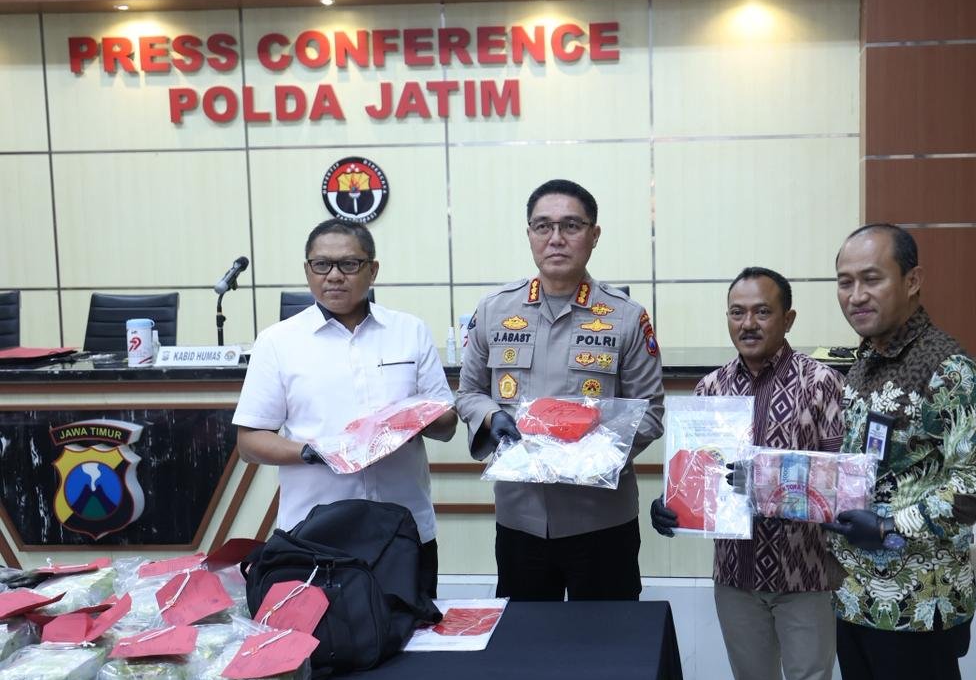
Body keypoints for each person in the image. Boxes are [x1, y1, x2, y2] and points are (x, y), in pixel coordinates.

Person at [823, 223, 976, 680]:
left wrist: (891, 523)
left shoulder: (947, 370)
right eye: (844, 282)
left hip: (918, 608)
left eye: (871, 279)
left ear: (912, 281)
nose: (856, 295)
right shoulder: (864, 362)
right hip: (856, 599)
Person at [650, 267, 844, 680]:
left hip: (806, 575)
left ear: (788, 318)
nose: (748, 323)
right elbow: (696, 474)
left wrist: (766, 482)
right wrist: (671, 506)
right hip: (736, 575)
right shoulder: (710, 389)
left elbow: (840, 484)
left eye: (762, 312)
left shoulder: (822, 383)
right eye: (737, 313)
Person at [456, 179, 664, 601]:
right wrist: (492, 416)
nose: (556, 238)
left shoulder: (626, 316)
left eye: (571, 225)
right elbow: (468, 393)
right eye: (543, 226)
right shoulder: (494, 310)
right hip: (520, 517)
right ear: (529, 234)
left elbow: (651, 413)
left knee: (607, 636)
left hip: (601, 519)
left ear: (594, 235)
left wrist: (590, 456)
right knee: (527, 637)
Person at [233, 218, 457, 595]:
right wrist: (314, 452)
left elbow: (447, 424)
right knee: (326, 633)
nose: (334, 276)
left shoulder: (410, 331)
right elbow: (250, 442)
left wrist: (408, 421)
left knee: (416, 630)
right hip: (315, 537)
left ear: (373, 270)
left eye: (349, 264)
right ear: (308, 271)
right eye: (322, 265)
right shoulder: (277, 342)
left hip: (404, 532)